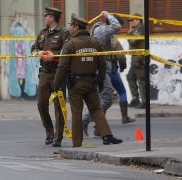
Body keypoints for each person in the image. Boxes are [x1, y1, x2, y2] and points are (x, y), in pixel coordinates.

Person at [53, 13, 123, 147]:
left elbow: (62, 67)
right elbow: (102, 63)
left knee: (76, 112)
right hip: (92, 83)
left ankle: (77, 143)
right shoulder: (95, 42)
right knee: (96, 109)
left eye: (71, 26)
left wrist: (56, 86)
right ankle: (107, 136)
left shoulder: (70, 44)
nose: (70, 29)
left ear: (76, 27)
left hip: (75, 85)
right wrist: (101, 80)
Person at [31, 6, 70, 147]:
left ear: (52, 17)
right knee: (41, 104)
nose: (44, 18)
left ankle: (58, 138)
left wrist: (54, 55)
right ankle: (49, 132)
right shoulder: (43, 32)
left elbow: (67, 50)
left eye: (46, 16)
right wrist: (39, 53)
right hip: (45, 73)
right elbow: (34, 48)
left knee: (59, 106)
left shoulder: (64, 32)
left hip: (58, 73)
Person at [82, 11, 122, 136]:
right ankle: (86, 119)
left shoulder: (103, 31)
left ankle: (98, 128)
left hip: (103, 68)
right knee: (108, 98)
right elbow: (116, 26)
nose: (119, 30)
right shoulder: (102, 30)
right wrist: (109, 15)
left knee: (101, 98)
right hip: (100, 69)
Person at [110, 36, 135, 124]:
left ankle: (99, 122)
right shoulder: (114, 40)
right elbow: (121, 56)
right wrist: (122, 67)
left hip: (98, 72)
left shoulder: (95, 38)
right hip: (112, 71)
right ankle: (124, 117)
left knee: (102, 96)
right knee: (122, 92)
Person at [126, 14, 146, 109]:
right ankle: (135, 98)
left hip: (139, 58)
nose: (131, 22)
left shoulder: (141, 28)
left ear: (138, 20)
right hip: (135, 58)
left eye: (132, 20)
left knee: (141, 80)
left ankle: (144, 102)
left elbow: (134, 41)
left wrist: (129, 34)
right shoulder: (137, 29)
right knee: (130, 77)